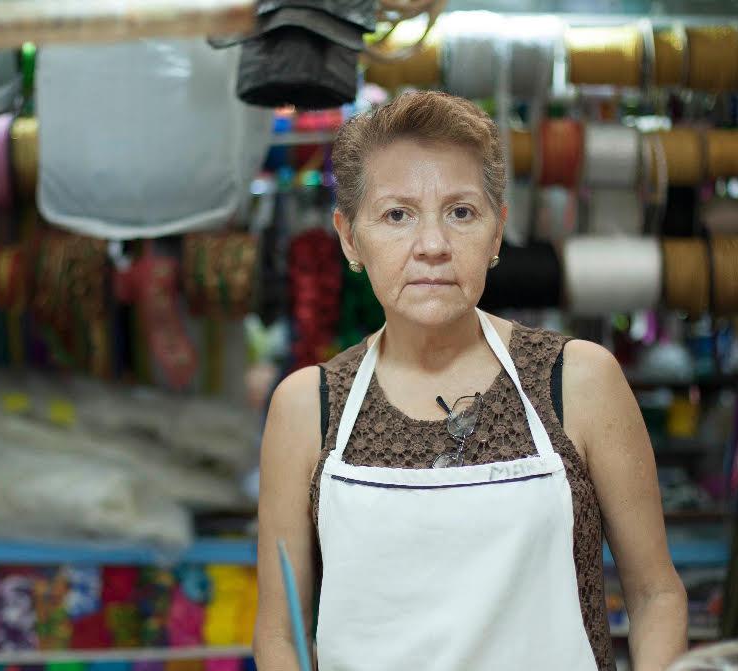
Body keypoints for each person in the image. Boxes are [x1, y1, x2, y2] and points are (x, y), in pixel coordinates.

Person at [253, 90, 687, 671]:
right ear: (350, 238)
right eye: (396, 214)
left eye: (461, 212)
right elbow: (279, 634)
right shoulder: (308, 406)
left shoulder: (578, 382)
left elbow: (656, 595)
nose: (432, 246)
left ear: (497, 231)